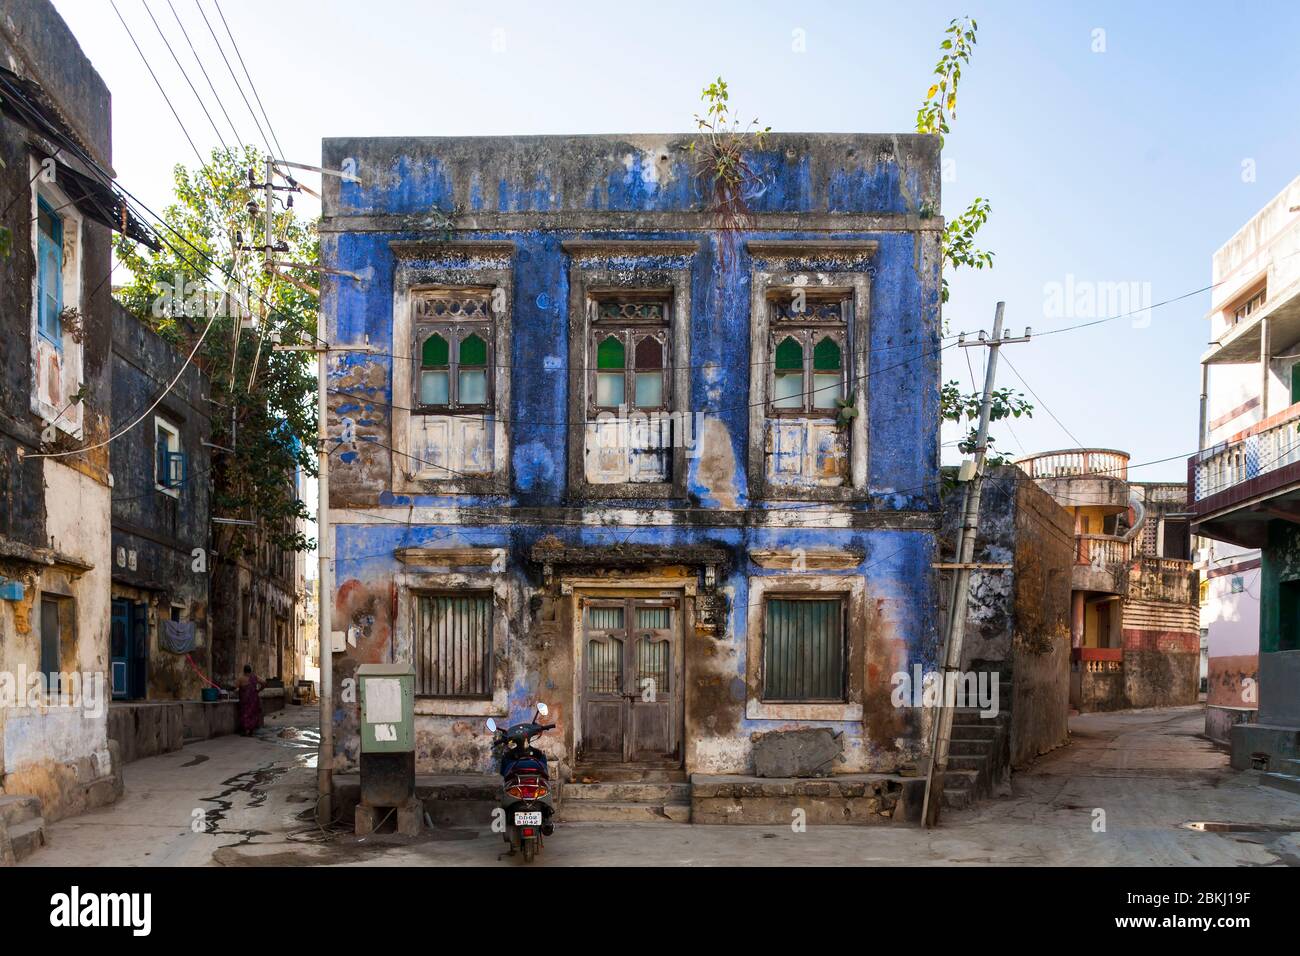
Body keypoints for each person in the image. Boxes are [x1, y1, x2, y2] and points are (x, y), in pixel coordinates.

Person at [236, 664, 264, 735]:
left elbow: (236, 688)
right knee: (253, 714)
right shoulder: (255, 677)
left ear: (244, 671)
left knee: (245, 714)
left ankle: (247, 731)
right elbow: (264, 683)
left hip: (245, 700)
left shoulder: (241, 679)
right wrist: (259, 690)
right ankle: (251, 730)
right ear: (250, 671)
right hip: (254, 699)